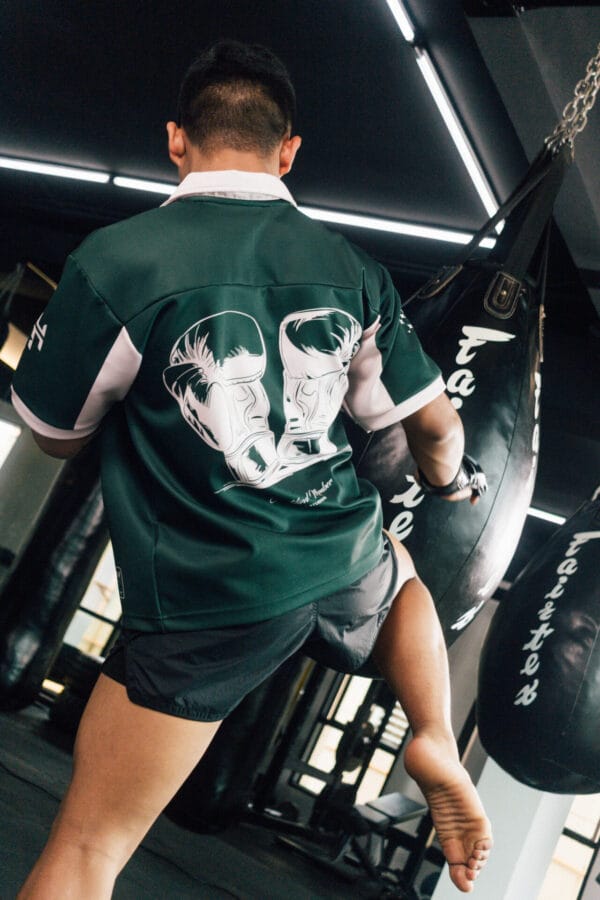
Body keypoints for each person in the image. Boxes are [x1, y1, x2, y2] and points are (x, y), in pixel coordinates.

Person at [11, 40, 491, 897]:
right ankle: (431, 731)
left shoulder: (117, 262)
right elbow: (440, 431)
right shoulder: (355, 272)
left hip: (215, 592)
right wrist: (452, 484)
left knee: (87, 846)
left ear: (176, 139)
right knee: (399, 571)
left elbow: (52, 434)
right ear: (288, 151)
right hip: (340, 555)